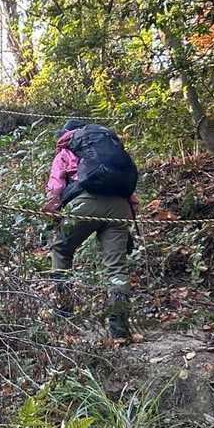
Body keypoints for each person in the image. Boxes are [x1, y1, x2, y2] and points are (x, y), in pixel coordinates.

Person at [43, 119, 139, 340]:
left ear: (67, 134)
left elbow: (56, 187)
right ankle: (119, 329)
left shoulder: (66, 151)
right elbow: (132, 196)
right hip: (120, 207)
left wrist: (51, 213)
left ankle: (64, 310)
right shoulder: (109, 150)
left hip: (84, 204)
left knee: (61, 250)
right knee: (116, 268)